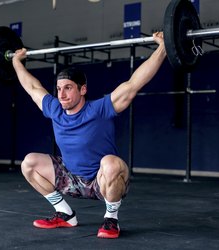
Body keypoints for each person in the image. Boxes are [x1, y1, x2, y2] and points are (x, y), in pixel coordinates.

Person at [12, 32, 166, 239]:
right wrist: (16, 61)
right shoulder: (54, 109)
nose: (62, 94)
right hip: (70, 178)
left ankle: (111, 219)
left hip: (101, 181)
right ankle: (65, 214)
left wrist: (163, 47)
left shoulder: (100, 109)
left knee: (112, 163)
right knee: (29, 162)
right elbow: (31, 86)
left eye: (68, 88)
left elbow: (134, 84)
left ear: (82, 89)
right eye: (58, 89)